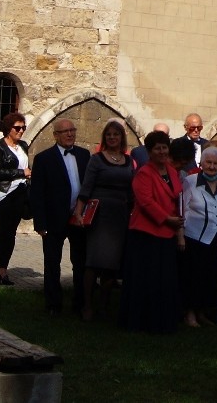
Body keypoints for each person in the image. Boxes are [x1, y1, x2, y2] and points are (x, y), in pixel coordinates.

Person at [119, 131, 184, 333]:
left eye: (165, 147)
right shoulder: (144, 174)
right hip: (146, 233)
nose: (162, 151)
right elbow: (146, 202)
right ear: (149, 151)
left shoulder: (172, 172)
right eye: (158, 148)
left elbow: (176, 197)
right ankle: (142, 322)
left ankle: (162, 321)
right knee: (145, 280)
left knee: (164, 280)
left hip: (167, 233)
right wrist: (167, 219)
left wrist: (177, 224)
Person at [74, 121, 134, 321]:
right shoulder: (97, 160)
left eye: (116, 134)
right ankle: (88, 306)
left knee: (111, 264)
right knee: (94, 261)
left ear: (121, 137)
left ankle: (104, 306)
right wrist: (79, 213)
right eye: (108, 134)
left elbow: (130, 190)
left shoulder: (127, 161)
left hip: (120, 214)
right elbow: (86, 187)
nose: (112, 138)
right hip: (100, 214)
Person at [30, 118, 90, 316]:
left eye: (72, 130)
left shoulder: (84, 155)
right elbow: (37, 193)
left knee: (80, 263)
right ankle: (53, 305)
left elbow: (88, 187)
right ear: (55, 135)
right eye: (65, 131)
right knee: (52, 263)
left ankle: (80, 303)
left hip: (78, 218)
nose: (70, 134)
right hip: (54, 219)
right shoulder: (43, 159)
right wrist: (40, 223)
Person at [179, 147, 217, 327]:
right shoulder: (190, 181)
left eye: (216, 163)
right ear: (201, 163)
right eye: (209, 163)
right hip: (194, 236)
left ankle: (202, 313)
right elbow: (182, 208)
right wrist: (181, 236)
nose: (212, 167)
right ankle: (189, 313)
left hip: (215, 236)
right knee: (193, 277)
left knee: (210, 276)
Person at [0, 112, 31, 286]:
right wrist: (21, 173)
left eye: (23, 128)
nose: (21, 131)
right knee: (3, 230)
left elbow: (27, 167)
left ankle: (3, 269)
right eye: (17, 128)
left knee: (11, 233)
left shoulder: (23, 146)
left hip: (20, 192)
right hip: (2, 193)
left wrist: (28, 175)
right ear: (8, 128)